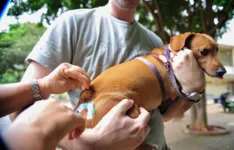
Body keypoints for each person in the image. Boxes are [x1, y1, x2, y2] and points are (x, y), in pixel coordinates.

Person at [11, 0, 205, 149]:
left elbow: (168, 114)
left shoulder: (154, 41)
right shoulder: (72, 23)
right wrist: (84, 145)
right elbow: (21, 108)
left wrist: (194, 90)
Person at [0, 63, 150, 150]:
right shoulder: (69, 23)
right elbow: (18, 114)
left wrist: (43, 86)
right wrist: (91, 144)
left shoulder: (152, 40)